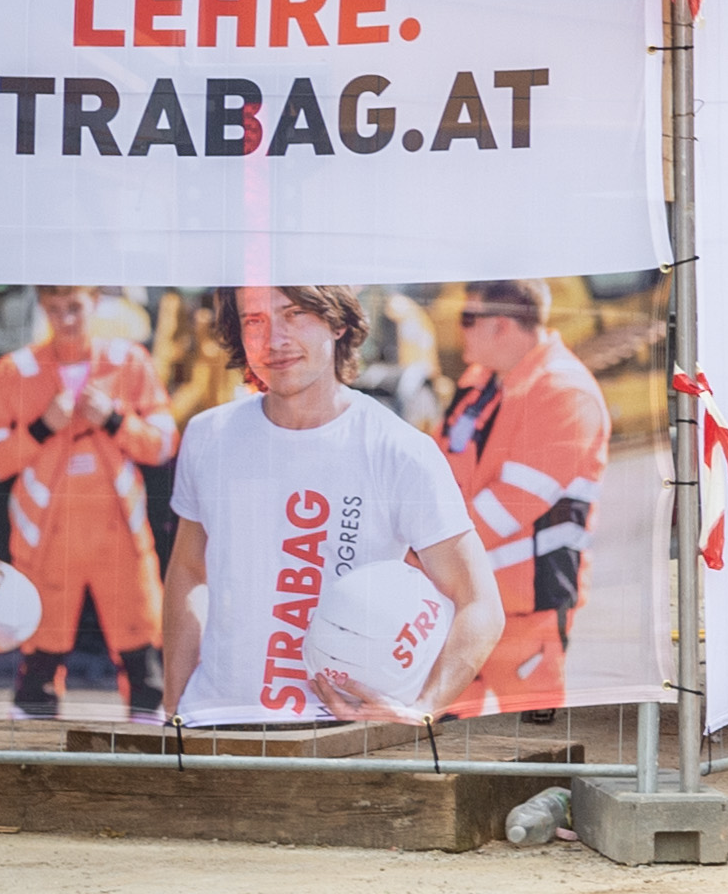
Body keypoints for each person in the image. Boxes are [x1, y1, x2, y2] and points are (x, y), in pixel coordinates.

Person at [163, 284, 501, 727]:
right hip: (213, 728)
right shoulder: (208, 437)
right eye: (254, 320)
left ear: (338, 322)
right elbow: (188, 571)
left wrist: (421, 709)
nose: (274, 339)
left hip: (334, 740)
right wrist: (175, 707)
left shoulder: (399, 451)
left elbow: (480, 604)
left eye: (295, 313)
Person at [0, 281, 178, 720]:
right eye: (54, 309)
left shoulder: (130, 362)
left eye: (75, 307)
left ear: (94, 304)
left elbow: (163, 444)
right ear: (42, 308)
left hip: (118, 532)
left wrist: (115, 419)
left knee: (142, 649)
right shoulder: (15, 370)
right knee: (41, 656)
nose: (65, 319)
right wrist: (42, 428)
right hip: (47, 537)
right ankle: (31, 758)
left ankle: (151, 758)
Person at [436, 282, 614, 717]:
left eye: (467, 318)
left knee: (532, 747)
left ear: (501, 325)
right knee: (447, 736)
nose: (459, 330)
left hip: (525, 611)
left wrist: (429, 552)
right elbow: (441, 473)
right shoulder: (479, 384)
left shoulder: (563, 390)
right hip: (462, 599)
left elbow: (510, 506)